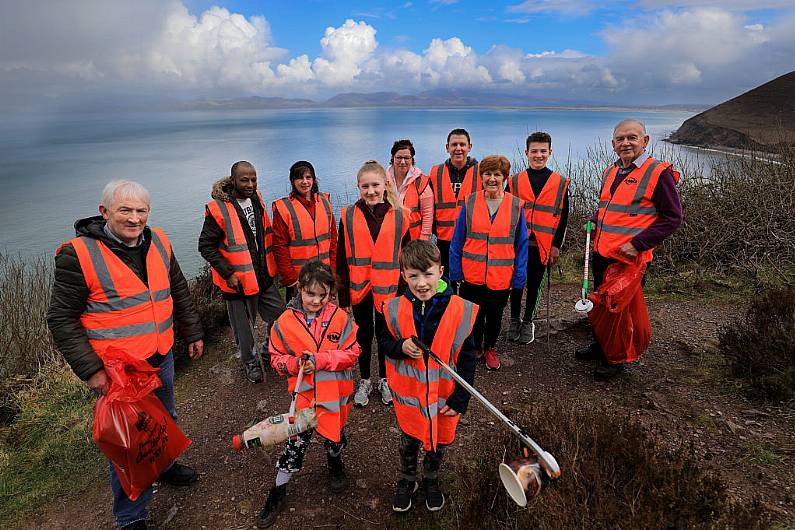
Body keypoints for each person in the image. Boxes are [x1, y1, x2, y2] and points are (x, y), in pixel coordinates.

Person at [47, 180, 204, 530]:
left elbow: (177, 287)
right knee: (128, 443)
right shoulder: (79, 254)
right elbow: (60, 318)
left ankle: (163, 467)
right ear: (105, 212)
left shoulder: (158, 240)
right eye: (125, 210)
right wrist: (91, 371)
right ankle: (131, 517)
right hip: (119, 372)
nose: (135, 219)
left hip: (160, 356)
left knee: (165, 417)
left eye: (141, 211)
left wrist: (192, 331)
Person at [577, 118, 682, 380]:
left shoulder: (658, 173)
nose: (626, 143)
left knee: (618, 309)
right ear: (613, 144)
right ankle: (601, 345)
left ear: (645, 141)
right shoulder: (610, 172)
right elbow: (608, 207)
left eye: (632, 137)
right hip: (603, 253)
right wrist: (594, 219)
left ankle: (615, 359)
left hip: (628, 260)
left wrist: (638, 244)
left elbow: (672, 217)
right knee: (600, 305)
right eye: (621, 139)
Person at [378, 240, 478, 513]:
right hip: (410, 400)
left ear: (441, 271)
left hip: (444, 399)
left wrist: (461, 398)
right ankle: (407, 479)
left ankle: (431, 479)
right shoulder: (392, 308)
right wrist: (399, 347)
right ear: (403, 276)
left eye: (428, 274)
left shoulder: (459, 309)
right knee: (409, 441)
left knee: (439, 442)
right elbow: (384, 343)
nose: (421, 283)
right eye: (413, 276)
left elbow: (467, 359)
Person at [258, 261, 360, 528]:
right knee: (295, 446)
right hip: (303, 402)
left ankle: (335, 464)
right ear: (299, 289)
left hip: (336, 398)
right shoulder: (283, 324)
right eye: (310, 293)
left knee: (334, 437)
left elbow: (353, 353)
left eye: (322, 295)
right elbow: (276, 358)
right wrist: (293, 365)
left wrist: (323, 360)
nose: (316, 300)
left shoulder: (341, 318)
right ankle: (278, 491)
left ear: (330, 293)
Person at [199, 161, 286, 383]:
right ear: (233, 180)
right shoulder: (218, 208)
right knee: (244, 330)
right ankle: (250, 363)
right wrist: (228, 273)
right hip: (236, 282)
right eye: (244, 180)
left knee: (281, 316)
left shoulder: (257, 199)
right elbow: (206, 246)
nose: (250, 184)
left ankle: (267, 351)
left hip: (263, 276)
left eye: (253, 179)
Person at [336, 160, 411, 407]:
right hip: (360, 290)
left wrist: (406, 292)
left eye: (375, 185)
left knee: (386, 335)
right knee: (364, 336)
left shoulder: (400, 216)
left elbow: (408, 257)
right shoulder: (347, 216)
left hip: (391, 290)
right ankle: (366, 380)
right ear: (358, 187)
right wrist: (343, 297)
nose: (370, 191)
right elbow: (340, 258)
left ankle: (385, 380)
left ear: (385, 185)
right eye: (364, 186)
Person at [449, 155, 528, 371]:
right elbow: (457, 240)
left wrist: (519, 277)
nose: (492, 178)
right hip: (471, 273)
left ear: (505, 177)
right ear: (481, 177)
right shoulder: (470, 202)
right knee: (474, 314)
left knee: (494, 315)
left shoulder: (515, 206)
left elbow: (521, 245)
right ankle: (474, 347)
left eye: (497, 174)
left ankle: (490, 347)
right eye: (487, 174)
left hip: (501, 275)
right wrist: (455, 272)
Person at [507, 132, 569, 344]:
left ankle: (527, 321)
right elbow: (506, 213)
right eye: (534, 151)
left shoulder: (560, 182)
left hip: (542, 246)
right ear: (526, 153)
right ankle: (514, 319)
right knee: (516, 283)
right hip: (516, 245)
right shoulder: (513, 181)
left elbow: (563, 218)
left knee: (534, 285)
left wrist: (556, 246)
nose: (539, 155)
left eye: (543, 151)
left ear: (550, 153)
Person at [271, 160, 337, 301]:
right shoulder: (284, 208)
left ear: (314, 179)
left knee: (324, 319)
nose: (305, 182)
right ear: (293, 181)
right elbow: (279, 248)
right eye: (300, 178)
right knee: (299, 320)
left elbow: (333, 242)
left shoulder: (325, 202)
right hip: (300, 280)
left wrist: (334, 273)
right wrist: (291, 279)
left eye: (308, 177)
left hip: (324, 276)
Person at [427, 128, 481, 271]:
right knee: (445, 281)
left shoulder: (481, 172)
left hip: (472, 238)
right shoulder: (436, 172)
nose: (458, 149)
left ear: (469, 147)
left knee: (469, 279)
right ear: (447, 147)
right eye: (454, 145)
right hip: (444, 239)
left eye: (462, 145)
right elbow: (428, 204)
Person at [386, 139, 434, 240]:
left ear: (412, 159)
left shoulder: (421, 182)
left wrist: (423, 239)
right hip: (388, 237)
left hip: (413, 239)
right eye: (399, 157)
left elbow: (428, 214)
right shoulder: (383, 180)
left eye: (407, 158)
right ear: (392, 158)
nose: (402, 162)